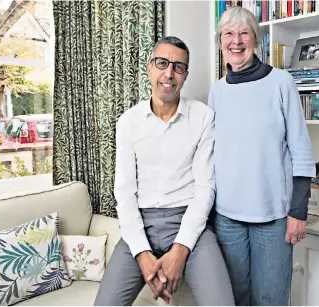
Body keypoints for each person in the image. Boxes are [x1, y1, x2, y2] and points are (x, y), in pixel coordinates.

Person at [94, 36, 235, 306]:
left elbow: (206, 188)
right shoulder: (128, 122)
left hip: (187, 221)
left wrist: (181, 249)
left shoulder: (203, 117)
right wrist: (142, 255)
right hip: (140, 225)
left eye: (178, 67)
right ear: (150, 68)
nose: (168, 73)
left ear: (185, 75)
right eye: (162, 63)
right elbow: (124, 194)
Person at [208, 7, 316, 306]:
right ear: (221, 42)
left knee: (270, 299)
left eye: (244, 33)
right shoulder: (216, 92)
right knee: (234, 297)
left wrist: (298, 211)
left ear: (255, 39)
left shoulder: (281, 83)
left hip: (274, 216)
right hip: (227, 217)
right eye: (228, 34)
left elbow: (302, 151)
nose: (236, 41)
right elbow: (214, 155)